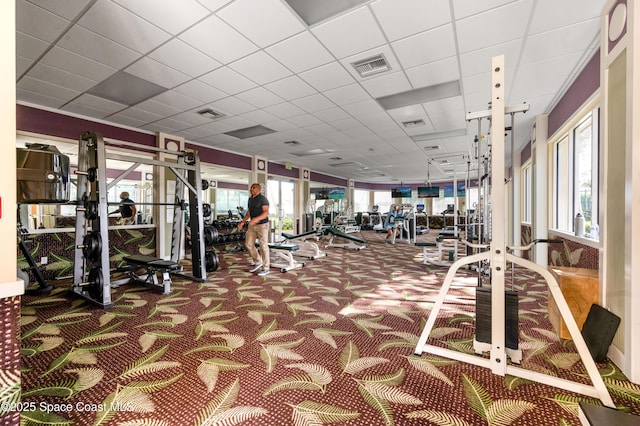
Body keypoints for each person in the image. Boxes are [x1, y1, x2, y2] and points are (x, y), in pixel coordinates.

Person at [238, 183, 270, 276]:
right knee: (248, 244)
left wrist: (256, 219)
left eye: (254, 188)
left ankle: (266, 267)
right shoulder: (250, 199)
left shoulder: (263, 199)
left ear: (259, 190)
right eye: (251, 188)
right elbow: (249, 212)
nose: (251, 189)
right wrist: (243, 221)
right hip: (252, 225)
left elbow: (266, 213)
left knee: (263, 246)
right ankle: (258, 261)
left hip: (262, 225)